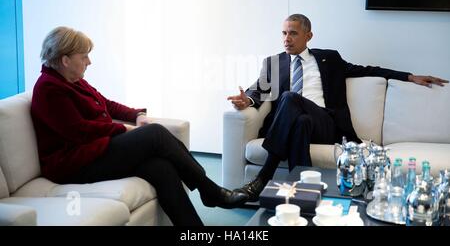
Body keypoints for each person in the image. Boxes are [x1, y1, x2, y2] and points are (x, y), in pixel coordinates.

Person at [31, 26, 248, 226]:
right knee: (154, 134)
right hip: (74, 165)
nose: (89, 62)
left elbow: (107, 104)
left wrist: (137, 115)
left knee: (161, 168)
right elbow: (78, 130)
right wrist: (122, 129)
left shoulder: (72, 79)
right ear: (65, 59)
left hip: (95, 152)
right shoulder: (49, 88)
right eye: (84, 56)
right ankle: (210, 191)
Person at [227, 14, 448, 202]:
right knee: (300, 121)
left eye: (293, 33)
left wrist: (409, 76)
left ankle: (262, 179)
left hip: (326, 123)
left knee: (289, 97)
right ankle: (304, 194)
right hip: (301, 123)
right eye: (284, 33)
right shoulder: (273, 63)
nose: (286, 39)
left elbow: (368, 69)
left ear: (308, 36)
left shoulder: (328, 58)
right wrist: (247, 100)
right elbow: (257, 90)